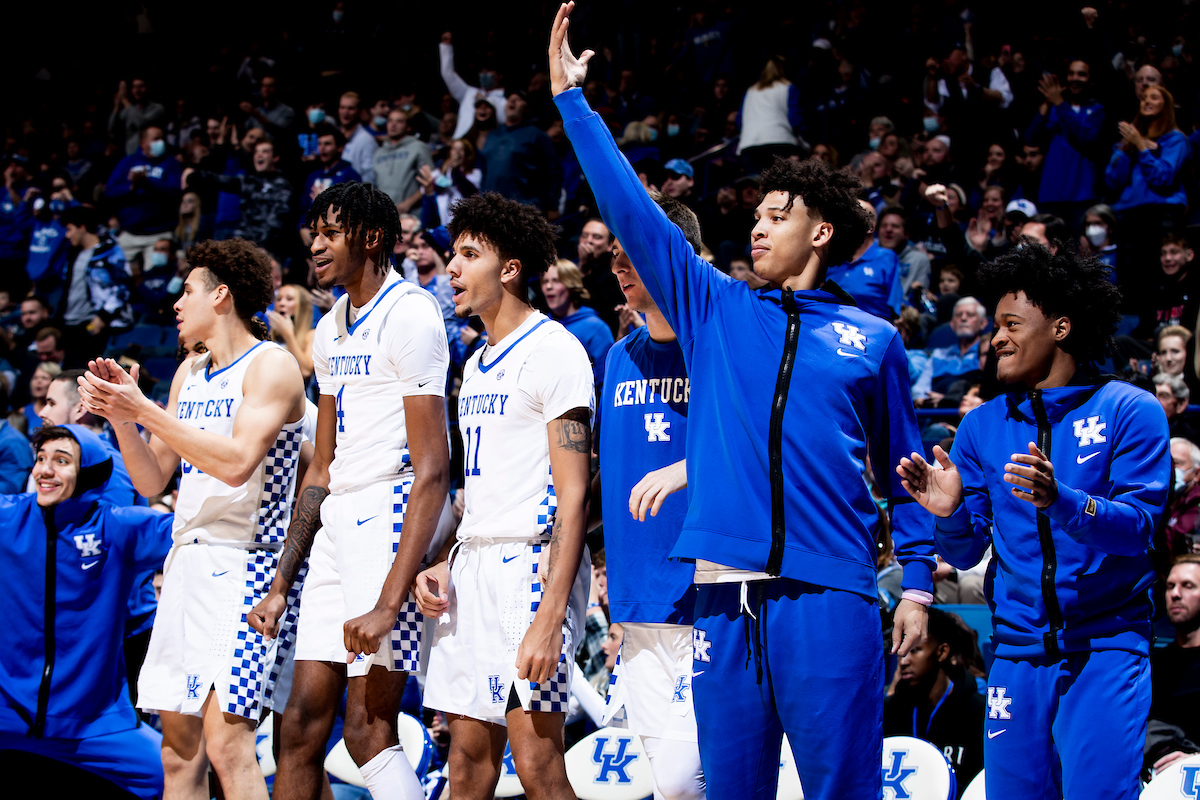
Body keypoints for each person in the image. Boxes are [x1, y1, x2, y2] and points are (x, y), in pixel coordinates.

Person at [550, 6, 934, 799]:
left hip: (832, 594)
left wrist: (921, 585)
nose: (756, 227)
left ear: (822, 232)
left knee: (837, 788)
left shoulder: (872, 339)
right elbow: (635, 215)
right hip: (722, 596)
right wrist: (574, 106)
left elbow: (911, 473)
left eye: (777, 216)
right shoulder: (715, 306)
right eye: (756, 215)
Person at [898, 243, 1169, 800]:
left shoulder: (1131, 410)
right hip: (1017, 654)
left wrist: (1061, 501)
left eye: (1011, 323)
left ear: (1062, 327)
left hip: (1107, 647)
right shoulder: (979, 427)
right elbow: (969, 552)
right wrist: (947, 515)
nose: (996, 338)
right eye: (994, 325)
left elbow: (1139, 528)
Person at [77, 238, 307, 800]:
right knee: (178, 750)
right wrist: (122, 420)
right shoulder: (189, 373)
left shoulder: (271, 364)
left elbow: (234, 465)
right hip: (187, 562)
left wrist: (143, 408)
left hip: (249, 564)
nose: (175, 304)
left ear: (221, 296)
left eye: (187, 291)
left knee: (229, 745)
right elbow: (154, 479)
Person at [250, 182, 450, 800]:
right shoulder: (330, 327)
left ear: (369, 237)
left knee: (368, 731)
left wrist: (390, 603)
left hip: (392, 512)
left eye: (329, 233)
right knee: (300, 730)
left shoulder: (412, 311)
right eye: (314, 234)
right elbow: (320, 467)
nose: (315, 246)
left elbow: (434, 470)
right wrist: (282, 583)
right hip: (338, 518)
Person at [415, 190, 594, 800]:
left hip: (531, 574)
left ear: (510, 269)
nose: (452, 270)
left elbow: (573, 496)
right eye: (452, 255)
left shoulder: (556, 351)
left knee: (539, 766)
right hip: (475, 570)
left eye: (468, 255)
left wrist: (549, 618)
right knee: (466, 765)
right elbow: (485, 488)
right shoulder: (477, 360)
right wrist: (445, 560)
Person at [595, 190, 705, 800]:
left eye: (632, 252)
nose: (619, 265)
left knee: (686, 780)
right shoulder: (615, 358)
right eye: (614, 256)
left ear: (674, 256)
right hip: (637, 603)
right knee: (666, 788)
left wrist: (687, 469)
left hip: (707, 593)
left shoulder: (714, 347)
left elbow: (755, 449)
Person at [0, 425, 173, 799]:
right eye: (41, 459)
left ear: (89, 472)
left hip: (94, 724)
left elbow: (192, 534)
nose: (45, 470)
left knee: (172, 778)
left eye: (61, 461)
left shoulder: (115, 526)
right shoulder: (7, 519)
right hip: (6, 714)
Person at [883, 607, 985, 797]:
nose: (904, 661)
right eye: (901, 651)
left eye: (915, 650)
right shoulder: (890, 710)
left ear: (942, 652)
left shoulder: (978, 713)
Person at [1104, 85, 1188, 290]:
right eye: (1143, 98)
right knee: (1131, 278)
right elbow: (1113, 179)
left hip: (1161, 214)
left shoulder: (1175, 139)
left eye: (1154, 98)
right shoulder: (1129, 141)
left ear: (1166, 105)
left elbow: (1162, 178)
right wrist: (1127, 147)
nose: (1147, 101)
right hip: (1131, 215)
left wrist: (1142, 147)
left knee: (1158, 276)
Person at [1025, 60, 1105, 227]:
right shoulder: (1053, 108)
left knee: (1079, 251)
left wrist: (1059, 103)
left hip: (1081, 196)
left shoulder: (1097, 110)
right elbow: (1031, 138)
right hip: (1051, 194)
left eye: (1081, 74)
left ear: (1091, 80)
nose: (1075, 78)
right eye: (1071, 73)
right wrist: (1048, 103)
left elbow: (1086, 136)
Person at [1145, 556, 1200, 778]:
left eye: (1188, 586)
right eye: (1170, 586)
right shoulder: (1153, 666)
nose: (1175, 594)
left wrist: (1195, 760)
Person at [541, 259, 614, 393]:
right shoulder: (541, 327)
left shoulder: (595, 328)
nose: (548, 287)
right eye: (545, 281)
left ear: (571, 285)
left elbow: (606, 384)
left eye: (556, 281)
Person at [825, 199, 904, 320]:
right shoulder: (833, 258)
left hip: (872, 332)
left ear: (870, 226)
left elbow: (895, 309)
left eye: (852, 217)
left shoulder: (886, 258)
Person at [912, 297, 990, 408]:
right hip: (935, 414)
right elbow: (919, 389)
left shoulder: (987, 353)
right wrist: (923, 400)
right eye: (959, 315)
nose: (963, 318)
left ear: (983, 323)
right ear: (952, 324)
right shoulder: (938, 354)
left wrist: (947, 400)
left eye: (970, 315)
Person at [736, 57, 804, 172]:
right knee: (780, 187)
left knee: (757, 187)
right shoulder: (788, 87)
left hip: (750, 145)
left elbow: (739, 121)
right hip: (780, 144)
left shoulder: (750, 91)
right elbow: (794, 118)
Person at [267, 284, 316, 382]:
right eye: (279, 299)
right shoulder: (268, 338)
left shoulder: (311, 335)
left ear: (303, 306)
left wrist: (288, 334)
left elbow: (305, 371)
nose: (282, 303)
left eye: (289, 299)